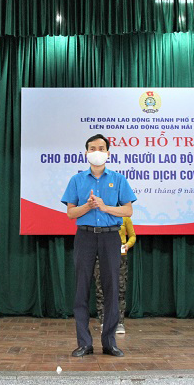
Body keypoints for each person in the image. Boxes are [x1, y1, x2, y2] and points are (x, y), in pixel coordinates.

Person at [61, 134, 137, 357]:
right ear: (86, 153)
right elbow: (70, 213)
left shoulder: (119, 179)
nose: (96, 151)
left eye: (101, 148)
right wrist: (87, 206)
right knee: (81, 288)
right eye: (92, 148)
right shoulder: (77, 180)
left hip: (110, 236)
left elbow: (128, 211)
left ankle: (109, 342)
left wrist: (105, 207)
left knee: (111, 287)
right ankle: (84, 343)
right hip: (84, 237)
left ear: (108, 153)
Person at [94, 216, 136, 334]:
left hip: (120, 254)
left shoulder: (125, 217)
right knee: (100, 288)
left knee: (120, 288)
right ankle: (103, 321)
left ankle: (119, 323)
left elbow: (132, 236)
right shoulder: (100, 215)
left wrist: (127, 245)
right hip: (101, 252)